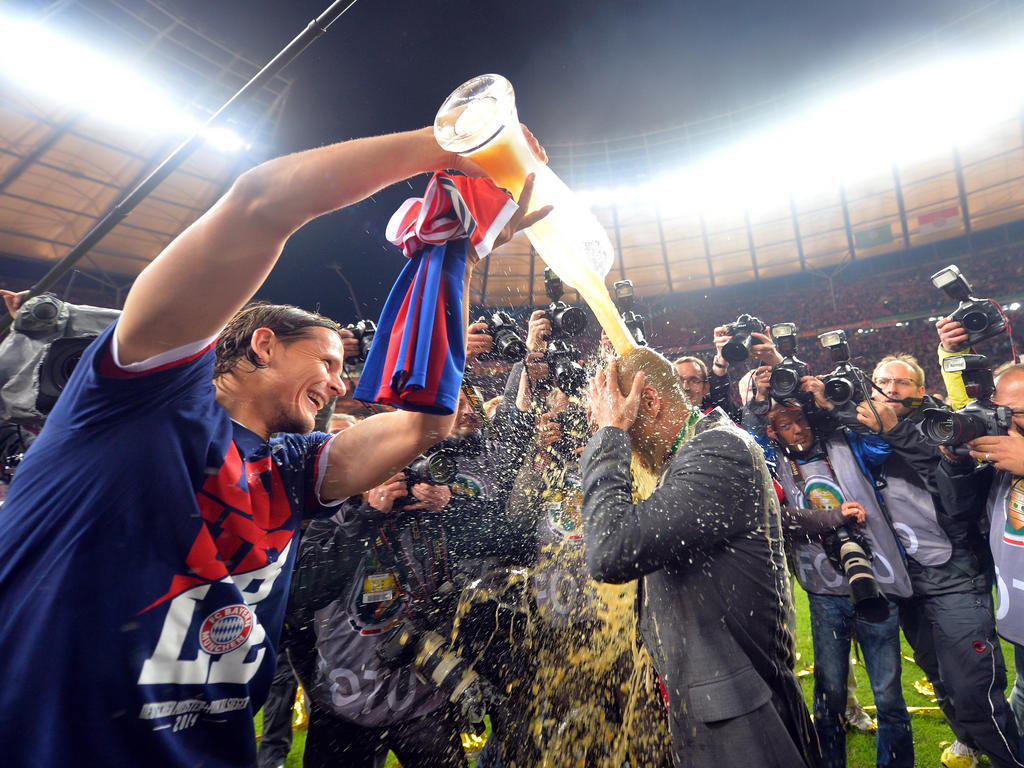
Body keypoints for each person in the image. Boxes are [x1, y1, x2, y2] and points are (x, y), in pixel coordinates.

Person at [0, 126, 548, 768]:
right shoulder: (135, 405)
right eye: (327, 360)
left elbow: (425, 424)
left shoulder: (290, 470)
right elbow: (260, 202)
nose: (342, 383)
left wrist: (453, 254)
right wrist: (452, 148)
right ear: (263, 344)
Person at [581, 347, 821, 768]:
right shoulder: (696, 446)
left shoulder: (718, 451)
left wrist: (611, 434)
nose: (599, 427)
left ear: (649, 403)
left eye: (606, 415)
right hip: (716, 701)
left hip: (740, 714)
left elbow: (612, 550)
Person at [848, 354, 1022, 768]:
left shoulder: (937, 424)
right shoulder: (857, 432)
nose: (891, 389)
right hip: (904, 580)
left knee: (972, 688)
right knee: (940, 679)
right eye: (883, 381)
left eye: (902, 383)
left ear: (920, 391)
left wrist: (898, 432)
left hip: (954, 576)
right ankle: (971, 741)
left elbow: (954, 499)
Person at [938, 362, 1024, 761]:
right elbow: (959, 512)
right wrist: (955, 465)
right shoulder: (1002, 459)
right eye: (998, 410)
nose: (1003, 422)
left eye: (1015, 413)